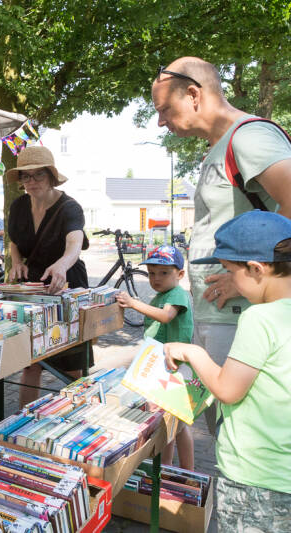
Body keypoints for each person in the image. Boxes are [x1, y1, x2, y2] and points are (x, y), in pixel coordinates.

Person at [151, 57, 291, 432]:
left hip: (239, 314)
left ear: (194, 95)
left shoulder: (249, 137)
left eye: (164, 109)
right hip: (221, 313)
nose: (160, 122)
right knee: (223, 431)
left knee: (241, 431)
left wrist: (242, 278)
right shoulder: (222, 145)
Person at [164, 211, 291, 533]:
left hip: (255, 477)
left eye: (231, 271)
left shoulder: (260, 318)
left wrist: (194, 352)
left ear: (257, 269)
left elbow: (228, 389)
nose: (228, 280)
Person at [5, 145, 91, 408]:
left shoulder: (69, 207)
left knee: (71, 364)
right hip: (32, 287)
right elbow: (14, 241)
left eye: (38, 175)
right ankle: (22, 421)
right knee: (31, 362)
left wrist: (62, 265)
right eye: (25, 176)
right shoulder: (18, 206)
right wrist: (17, 262)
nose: (31, 182)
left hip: (66, 283)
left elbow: (75, 243)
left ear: (51, 176)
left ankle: (78, 417)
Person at [115, 245, 194, 469]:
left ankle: (189, 472)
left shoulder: (177, 294)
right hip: (162, 365)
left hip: (174, 367)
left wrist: (133, 303)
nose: (155, 278)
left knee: (179, 423)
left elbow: (166, 316)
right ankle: (167, 464)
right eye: (151, 273)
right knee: (168, 421)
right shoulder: (162, 295)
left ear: (180, 274)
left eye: (163, 273)